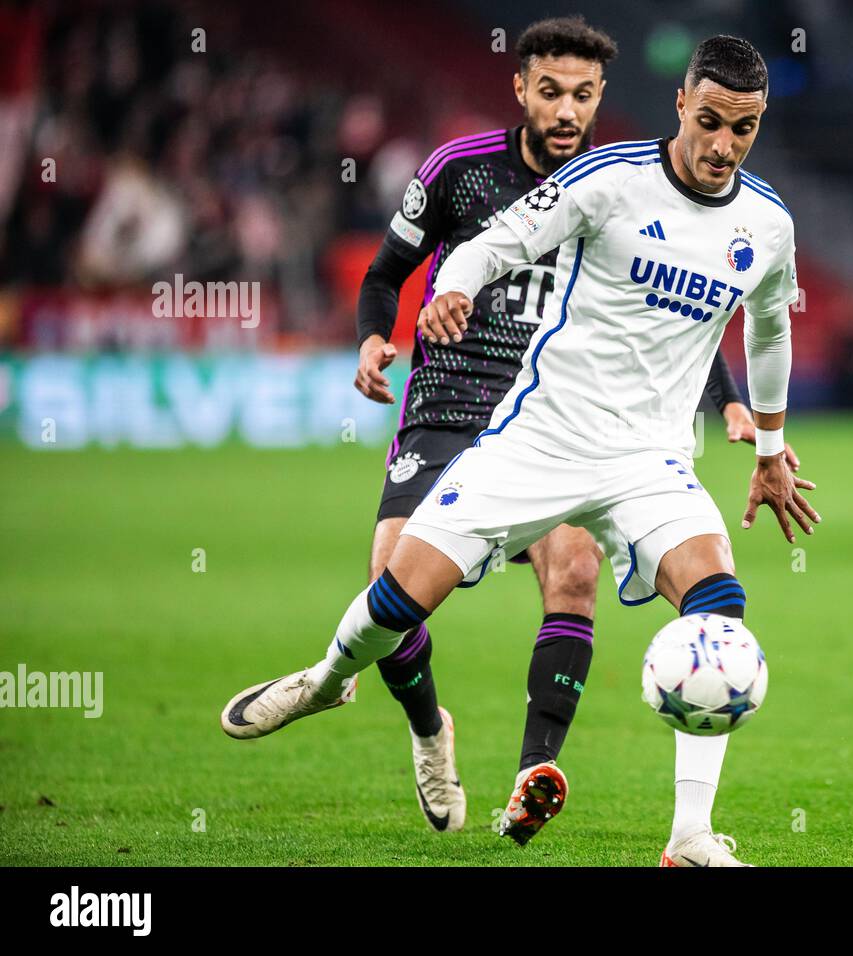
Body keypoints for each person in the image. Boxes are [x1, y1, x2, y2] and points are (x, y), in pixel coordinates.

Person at [222, 34, 817, 867]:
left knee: (720, 609)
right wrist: (456, 287)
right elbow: (493, 242)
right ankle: (327, 679)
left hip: (650, 462)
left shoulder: (766, 222)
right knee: (397, 602)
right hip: (539, 438)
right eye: (710, 121)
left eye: (744, 129)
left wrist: (770, 446)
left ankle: (688, 837)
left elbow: (770, 321)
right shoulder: (608, 183)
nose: (724, 146)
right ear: (681, 104)